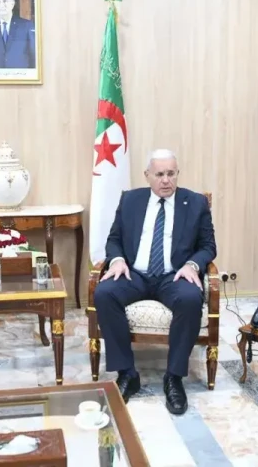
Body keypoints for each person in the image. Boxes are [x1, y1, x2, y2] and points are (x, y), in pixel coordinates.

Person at [94, 149, 217, 415]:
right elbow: (114, 239)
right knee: (104, 293)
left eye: (171, 174)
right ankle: (127, 374)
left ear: (177, 174)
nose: (166, 180)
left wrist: (192, 265)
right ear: (147, 175)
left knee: (190, 298)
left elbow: (208, 246)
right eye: (159, 174)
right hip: (135, 274)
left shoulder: (195, 203)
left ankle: (174, 377)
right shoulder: (130, 200)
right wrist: (117, 260)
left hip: (174, 275)